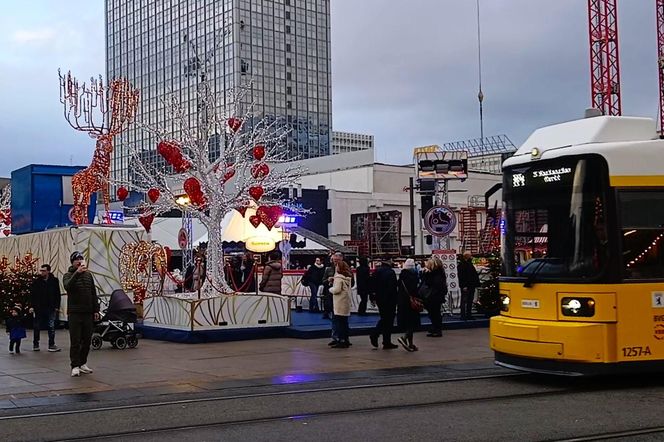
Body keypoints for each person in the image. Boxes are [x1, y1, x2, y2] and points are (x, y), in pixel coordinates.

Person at [63, 251, 100, 377]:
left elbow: (93, 293)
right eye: (76, 259)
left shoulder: (88, 276)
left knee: (87, 340)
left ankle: (83, 363)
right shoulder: (68, 275)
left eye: (81, 259)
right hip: (74, 313)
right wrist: (77, 274)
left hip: (88, 312)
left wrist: (96, 310)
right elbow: (67, 286)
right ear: (72, 262)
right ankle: (75, 365)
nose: (79, 261)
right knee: (75, 341)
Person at [30, 264, 62, 352]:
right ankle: (35, 344)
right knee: (37, 326)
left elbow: (57, 294)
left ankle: (51, 344)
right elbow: (33, 294)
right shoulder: (37, 282)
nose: (42, 272)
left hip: (50, 307)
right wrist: (32, 306)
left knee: (51, 325)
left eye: (44, 270)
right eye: (41, 270)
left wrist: (57, 306)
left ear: (48, 271)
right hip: (39, 307)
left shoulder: (54, 281)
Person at [369, 259, 399, 349]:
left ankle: (385, 340)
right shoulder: (391, 272)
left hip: (379, 298)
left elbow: (372, 285)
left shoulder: (376, 271)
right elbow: (392, 287)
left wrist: (373, 296)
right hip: (389, 299)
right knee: (388, 320)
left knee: (384, 318)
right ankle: (379, 336)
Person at [397, 258, 421, 351]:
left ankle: (410, 344)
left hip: (402, 303)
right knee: (413, 323)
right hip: (411, 303)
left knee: (407, 323)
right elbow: (414, 291)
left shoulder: (401, 277)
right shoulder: (413, 277)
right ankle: (405, 337)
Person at [421, 256, 447, 337]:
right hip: (435, 296)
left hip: (434, 297)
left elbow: (430, 284)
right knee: (434, 314)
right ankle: (435, 328)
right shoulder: (439, 273)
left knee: (435, 314)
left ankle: (437, 329)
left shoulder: (434, 275)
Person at [328, 261, 353, 348]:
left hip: (339, 302)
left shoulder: (338, 278)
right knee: (344, 322)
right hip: (345, 302)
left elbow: (337, 290)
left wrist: (330, 289)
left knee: (339, 322)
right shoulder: (347, 278)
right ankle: (346, 339)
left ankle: (340, 340)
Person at [458, 251, 480, 321]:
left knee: (470, 300)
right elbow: (461, 276)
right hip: (466, 286)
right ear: (467, 256)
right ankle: (463, 315)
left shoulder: (469, 264)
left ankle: (468, 314)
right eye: (470, 255)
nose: (471, 257)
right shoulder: (462, 265)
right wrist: (463, 285)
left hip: (471, 285)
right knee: (464, 301)